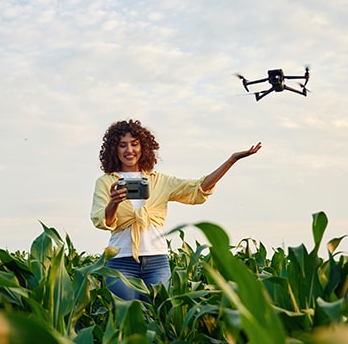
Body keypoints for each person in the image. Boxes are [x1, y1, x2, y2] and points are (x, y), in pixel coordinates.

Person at [90, 119, 261, 301]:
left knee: (157, 318)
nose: (129, 150)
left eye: (134, 144)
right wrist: (114, 203)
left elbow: (197, 188)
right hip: (121, 261)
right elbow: (102, 221)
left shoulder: (160, 181)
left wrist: (231, 160)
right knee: (126, 317)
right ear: (114, 150)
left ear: (144, 147)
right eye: (122, 145)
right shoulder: (106, 182)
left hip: (156, 262)